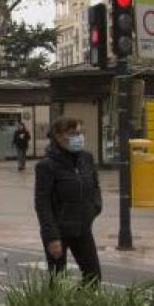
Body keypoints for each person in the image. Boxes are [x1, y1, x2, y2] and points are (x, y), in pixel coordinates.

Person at [34, 117, 102, 285]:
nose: (78, 137)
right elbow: (42, 203)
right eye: (72, 134)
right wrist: (52, 237)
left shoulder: (86, 159)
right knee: (58, 281)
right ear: (58, 136)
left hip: (82, 228)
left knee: (93, 277)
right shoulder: (46, 165)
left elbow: (94, 186)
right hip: (58, 231)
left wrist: (95, 207)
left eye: (80, 133)